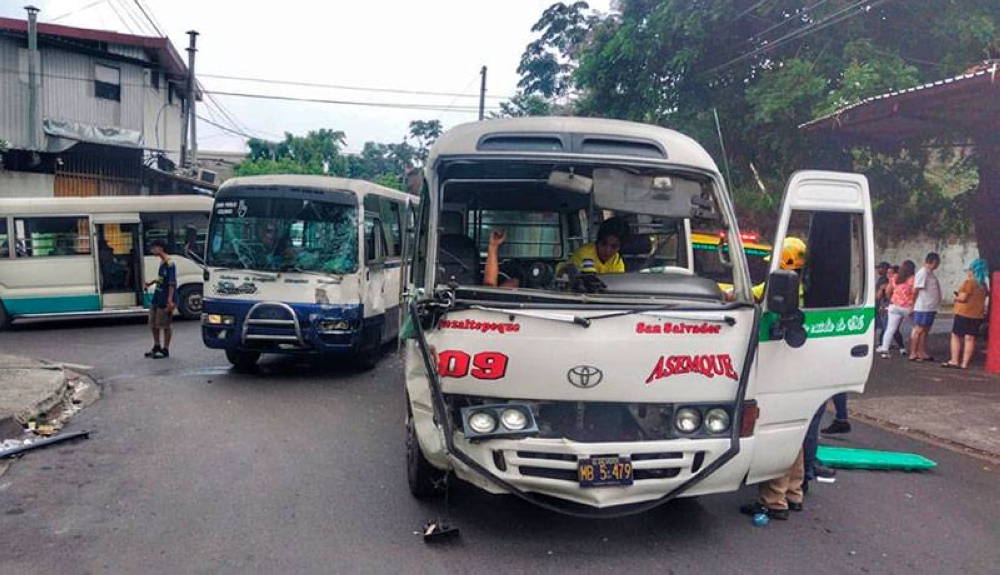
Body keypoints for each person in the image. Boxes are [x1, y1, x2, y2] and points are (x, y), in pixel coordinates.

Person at [942, 258, 990, 369]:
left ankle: (954, 360)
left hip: (963, 313)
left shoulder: (969, 282)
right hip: (977, 314)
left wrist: (956, 297)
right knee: (970, 338)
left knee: (956, 336)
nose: (968, 272)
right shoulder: (983, 285)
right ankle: (965, 363)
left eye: (969, 270)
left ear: (973, 271)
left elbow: (963, 298)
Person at [143, 239, 177, 359]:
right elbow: (163, 279)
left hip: (164, 298)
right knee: (153, 323)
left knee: (165, 324)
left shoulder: (170, 263)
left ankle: (165, 349)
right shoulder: (162, 263)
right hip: (157, 296)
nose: (152, 250)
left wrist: (170, 300)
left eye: (154, 248)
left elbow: (172, 283)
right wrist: (152, 282)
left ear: (160, 248)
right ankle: (157, 345)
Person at [877, 260, 916, 359]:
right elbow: (916, 293)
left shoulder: (895, 278)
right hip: (908, 307)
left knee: (890, 329)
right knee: (915, 328)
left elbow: (888, 290)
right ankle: (913, 351)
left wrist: (891, 300)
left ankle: (885, 350)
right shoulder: (912, 279)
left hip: (894, 306)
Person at [910, 252, 942, 362]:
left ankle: (921, 351)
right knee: (919, 329)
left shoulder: (930, 273)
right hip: (923, 306)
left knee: (925, 330)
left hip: (930, 307)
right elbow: (916, 290)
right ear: (933, 261)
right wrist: (912, 305)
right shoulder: (922, 273)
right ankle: (913, 352)